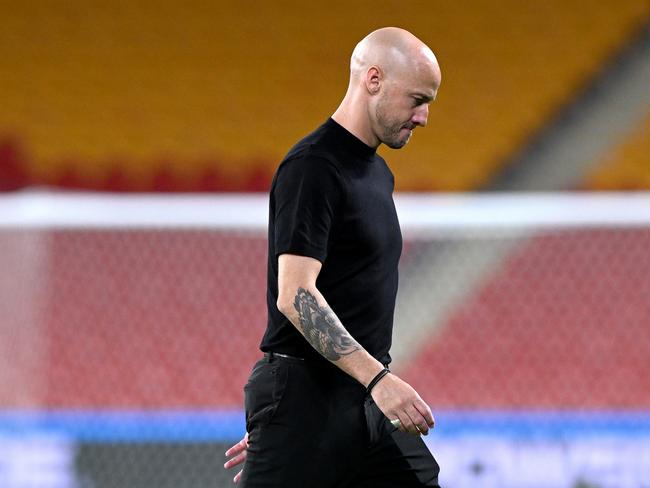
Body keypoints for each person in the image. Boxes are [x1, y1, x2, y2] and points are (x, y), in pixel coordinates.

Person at [224, 26, 442, 487]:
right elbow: (295, 294)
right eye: (417, 99)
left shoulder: (376, 172)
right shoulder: (313, 167)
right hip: (310, 394)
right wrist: (291, 426)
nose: (423, 117)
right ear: (374, 80)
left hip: (355, 401)